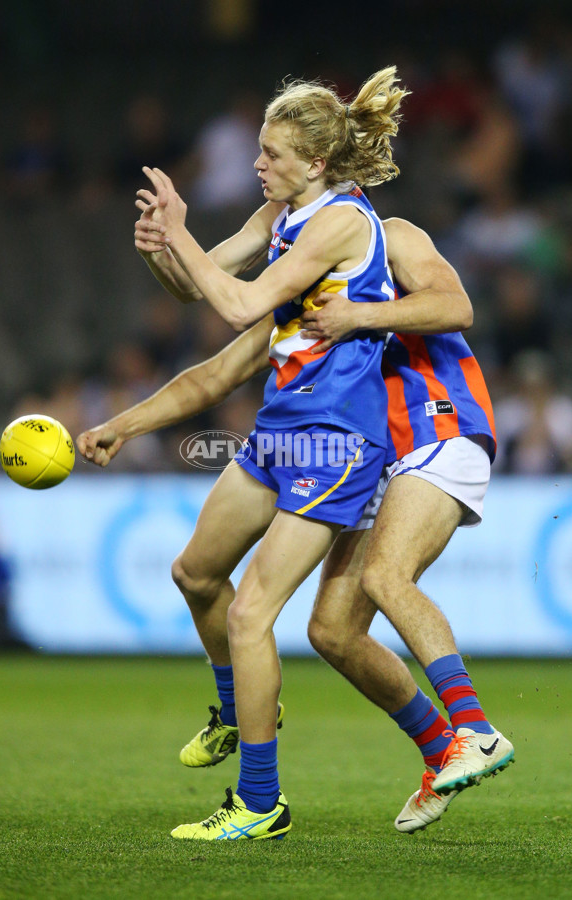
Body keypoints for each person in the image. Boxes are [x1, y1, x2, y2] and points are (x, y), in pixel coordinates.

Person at [79, 207, 514, 836]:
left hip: (437, 426)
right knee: (332, 631)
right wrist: (123, 422)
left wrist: (361, 314)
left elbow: (456, 306)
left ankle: (473, 727)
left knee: (384, 578)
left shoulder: (390, 236)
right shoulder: (304, 298)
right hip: (378, 455)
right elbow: (218, 367)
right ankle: (439, 747)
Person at [120, 68, 408, 841]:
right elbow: (199, 285)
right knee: (195, 573)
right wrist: (161, 248)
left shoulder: (341, 223)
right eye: (259, 151)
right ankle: (239, 704)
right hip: (281, 429)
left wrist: (180, 233)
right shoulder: (285, 206)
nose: (258, 164)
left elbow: (243, 303)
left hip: (337, 441)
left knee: (252, 612)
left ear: (315, 162)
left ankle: (259, 804)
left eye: (272, 154)